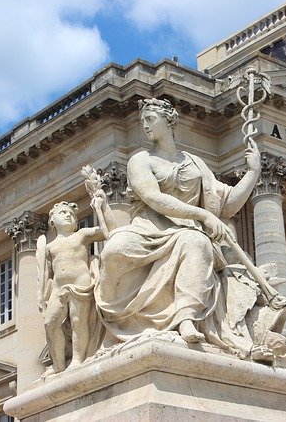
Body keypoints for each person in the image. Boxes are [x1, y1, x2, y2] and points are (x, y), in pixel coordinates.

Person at [96, 98, 262, 346]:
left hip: (187, 232)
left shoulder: (196, 164)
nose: (146, 126)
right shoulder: (141, 160)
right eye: (143, 121)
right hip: (148, 229)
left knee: (197, 241)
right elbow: (153, 197)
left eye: (150, 119)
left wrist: (253, 173)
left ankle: (185, 317)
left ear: (168, 120)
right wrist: (201, 215)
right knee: (115, 248)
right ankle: (115, 311)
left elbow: (227, 205)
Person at [37, 191, 115, 373]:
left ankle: (78, 359)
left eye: (71, 214)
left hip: (80, 283)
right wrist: (40, 296)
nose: (68, 216)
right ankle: (58, 367)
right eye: (63, 213)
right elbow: (44, 274)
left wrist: (100, 207)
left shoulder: (81, 235)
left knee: (78, 321)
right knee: (50, 323)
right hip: (57, 287)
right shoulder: (48, 247)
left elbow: (108, 232)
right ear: (52, 221)